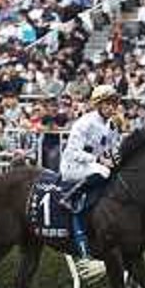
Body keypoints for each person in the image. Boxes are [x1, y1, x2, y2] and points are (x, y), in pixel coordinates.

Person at [58, 85, 121, 260]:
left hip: (92, 166)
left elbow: (112, 149)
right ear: (98, 104)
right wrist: (99, 160)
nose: (112, 108)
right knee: (104, 172)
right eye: (108, 104)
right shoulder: (84, 123)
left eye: (114, 104)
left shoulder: (111, 126)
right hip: (73, 166)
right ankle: (69, 197)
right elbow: (72, 152)